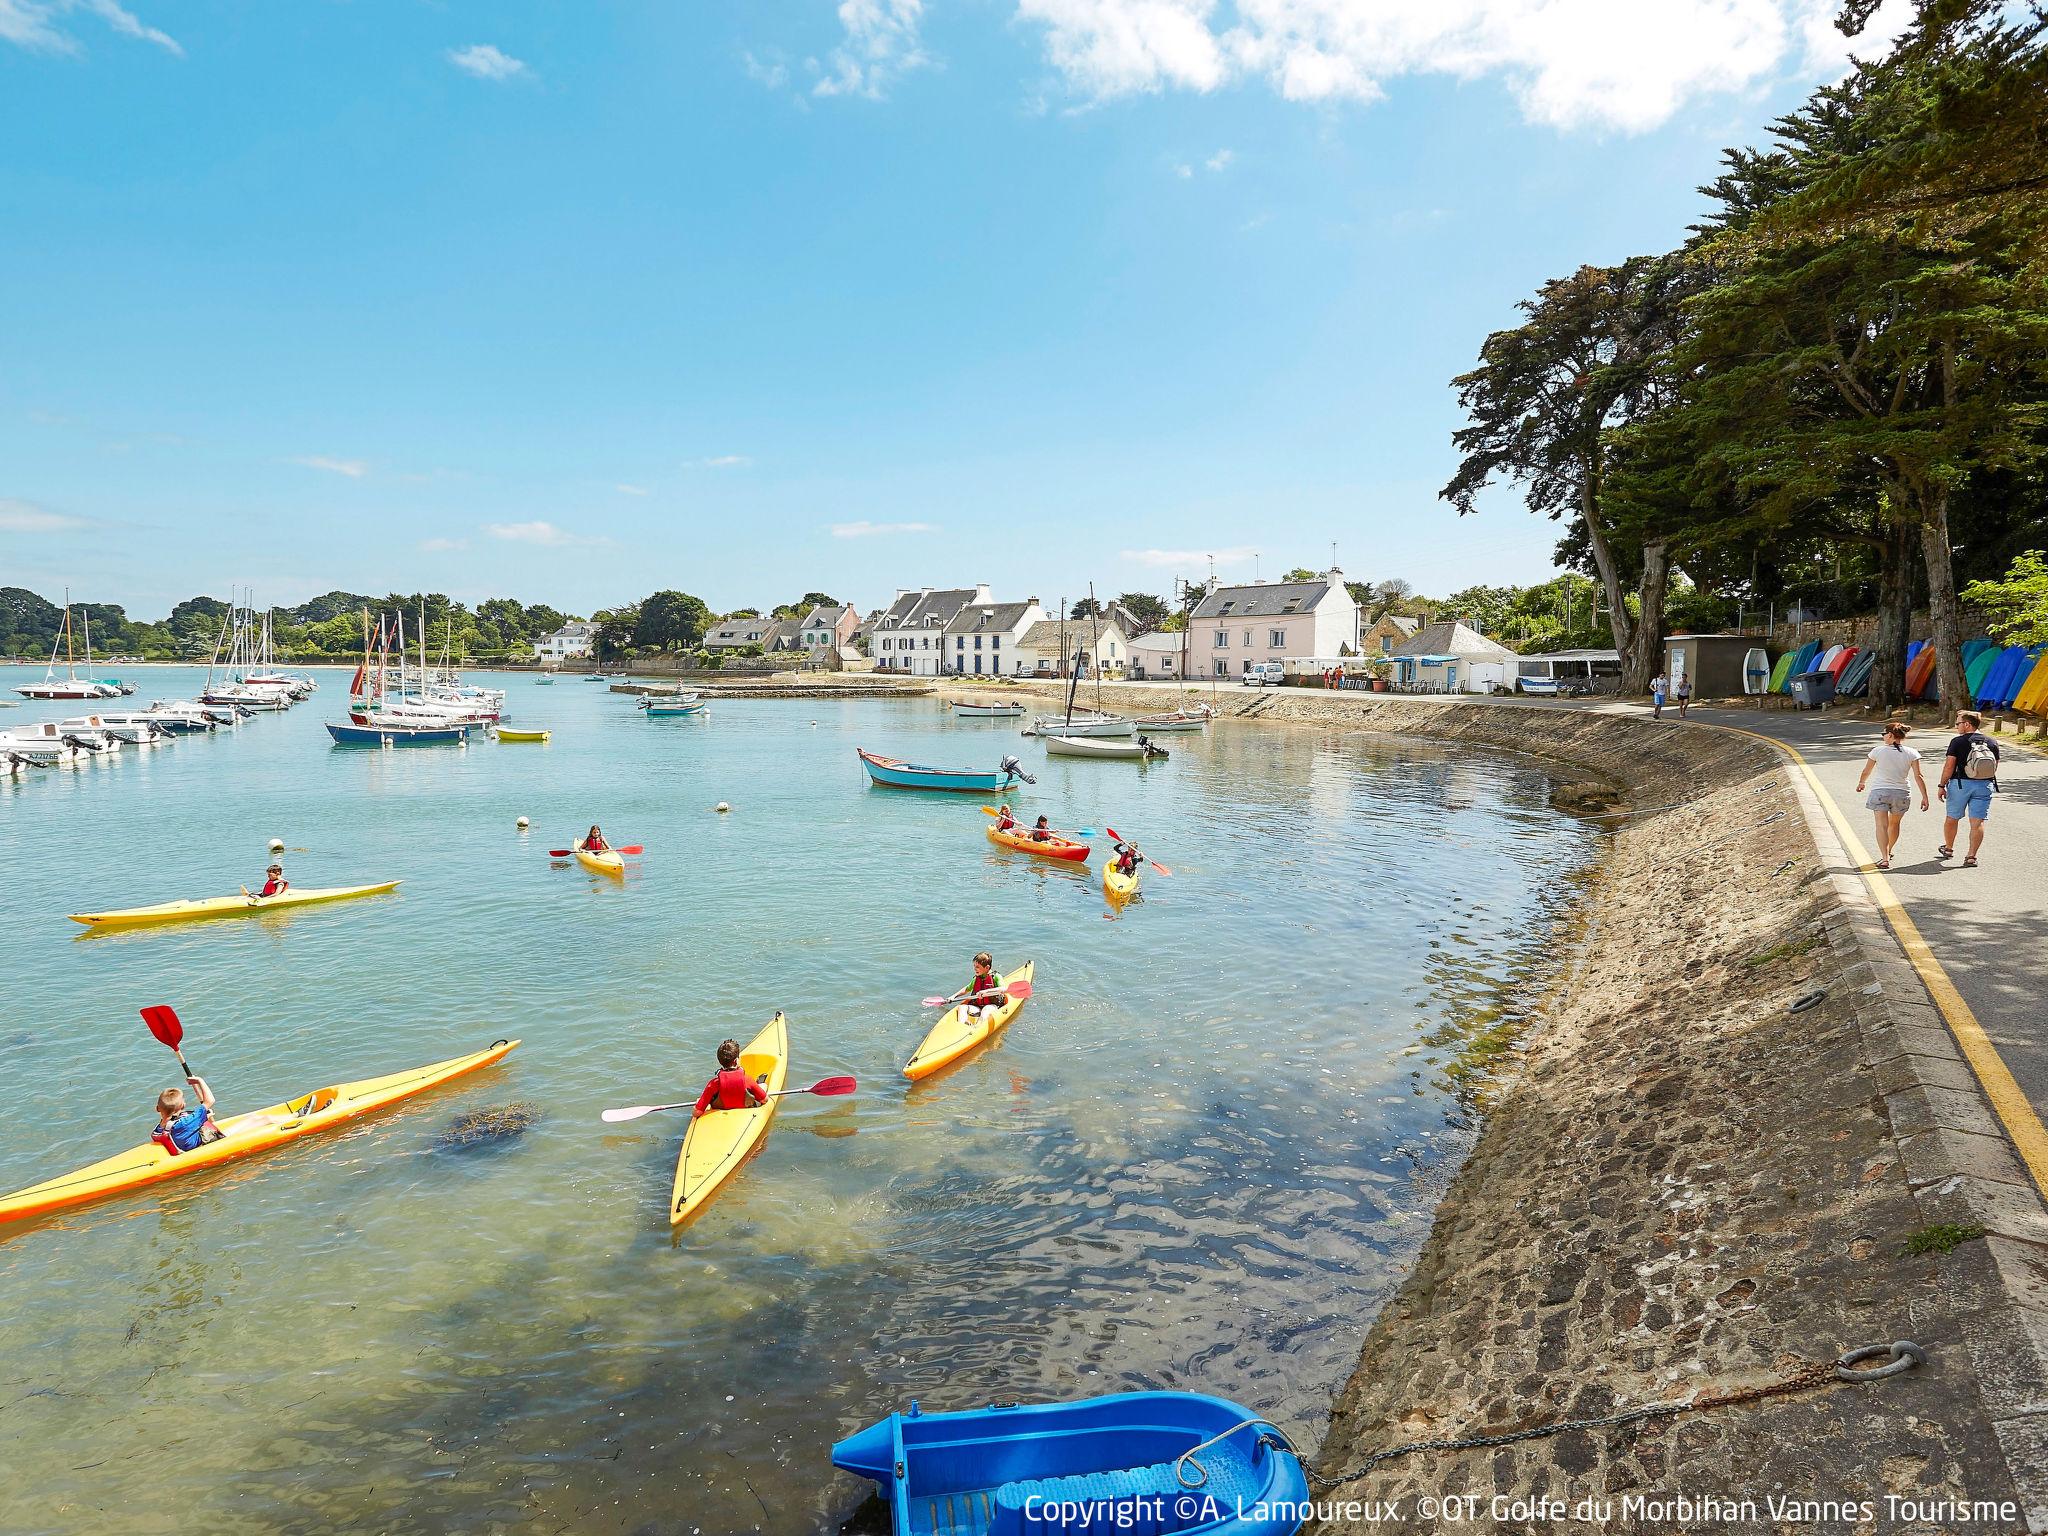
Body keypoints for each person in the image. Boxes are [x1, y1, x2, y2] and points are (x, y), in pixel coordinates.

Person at [1853, 721, 1927, 869]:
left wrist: (1862, 782)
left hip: (1881, 791)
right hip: (1902, 793)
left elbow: (1866, 771)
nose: (1883, 737)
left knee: (1881, 825)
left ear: (1890, 735)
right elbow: (1918, 776)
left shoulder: (1877, 751)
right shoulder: (1912, 753)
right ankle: (1890, 850)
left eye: (1883, 734)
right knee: (1894, 824)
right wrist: (1924, 796)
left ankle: (1885, 858)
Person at [1935, 708, 1999, 867]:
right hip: (1985, 784)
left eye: (1958, 723)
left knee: (1952, 818)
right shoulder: (1992, 741)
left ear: (1967, 724)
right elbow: (1994, 766)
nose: (1956, 727)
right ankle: (1971, 856)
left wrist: (1942, 785)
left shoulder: (1958, 741)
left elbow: (1949, 767)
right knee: (1977, 822)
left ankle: (1948, 848)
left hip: (1961, 784)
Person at [692, 1038, 768, 1118]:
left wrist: (698, 1104)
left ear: (720, 1061)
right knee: (763, 1086)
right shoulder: (747, 1080)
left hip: (721, 1117)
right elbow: (764, 1100)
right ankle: (760, 1084)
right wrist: (763, 1087)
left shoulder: (713, 1084)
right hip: (745, 1115)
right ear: (736, 1061)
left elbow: (696, 1113)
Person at [154, 1076, 224, 1154]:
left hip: (180, 1149)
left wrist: (205, 1117)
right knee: (207, 1129)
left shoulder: (159, 1129)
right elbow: (210, 1100)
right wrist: (200, 1081)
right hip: (199, 1147)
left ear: (157, 1108)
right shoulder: (188, 1121)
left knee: (201, 1120)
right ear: (183, 1105)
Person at [948, 952, 1005, 1022]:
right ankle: (962, 1025)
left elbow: (1003, 989)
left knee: (986, 1010)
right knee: (962, 1007)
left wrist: (985, 991)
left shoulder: (996, 977)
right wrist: (953, 996)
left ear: (987, 967)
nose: (975, 969)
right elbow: (967, 989)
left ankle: (978, 1028)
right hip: (977, 1006)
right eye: (974, 966)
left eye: (977, 967)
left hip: (992, 1006)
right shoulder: (976, 978)